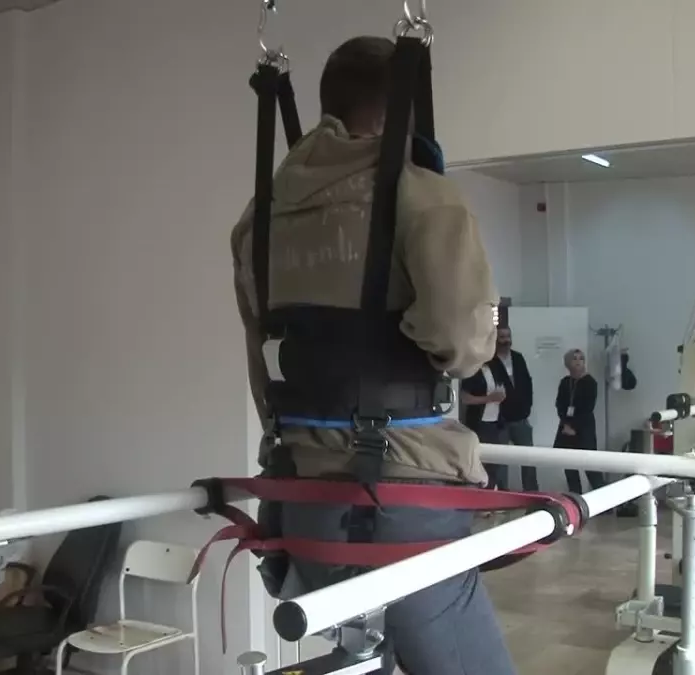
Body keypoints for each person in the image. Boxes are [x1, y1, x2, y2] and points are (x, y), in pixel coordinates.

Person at [231, 36, 517, 675]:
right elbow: (464, 347)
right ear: (397, 117)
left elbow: (265, 363)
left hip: (298, 505)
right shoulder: (422, 197)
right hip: (403, 505)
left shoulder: (259, 217)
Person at [489, 327, 540, 491]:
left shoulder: (518, 358)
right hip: (500, 419)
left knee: (528, 459)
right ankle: (502, 493)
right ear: (495, 339)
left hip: (521, 418)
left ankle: (532, 492)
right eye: (502, 337)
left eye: (508, 336)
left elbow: (527, 383)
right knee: (501, 461)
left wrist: (527, 407)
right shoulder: (489, 360)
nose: (505, 340)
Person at [554, 349, 606, 494]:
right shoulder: (565, 382)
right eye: (574, 358)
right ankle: (575, 498)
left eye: (581, 358)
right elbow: (560, 404)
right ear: (567, 363)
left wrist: (574, 427)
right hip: (565, 428)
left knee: (591, 467)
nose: (578, 361)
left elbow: (587, 408)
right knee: (569, 466)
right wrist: (566, 424)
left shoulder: (590, 382)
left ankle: (604, 498)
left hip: (584, 428)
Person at [461, 365, 510, 490]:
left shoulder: (495, 368)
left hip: (496, 423)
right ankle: (480, 490)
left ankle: (493, 488)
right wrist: (489, 399)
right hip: (479, 423)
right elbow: (465, 398)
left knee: (495, 462)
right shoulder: (473, 370)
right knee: (480, 461)